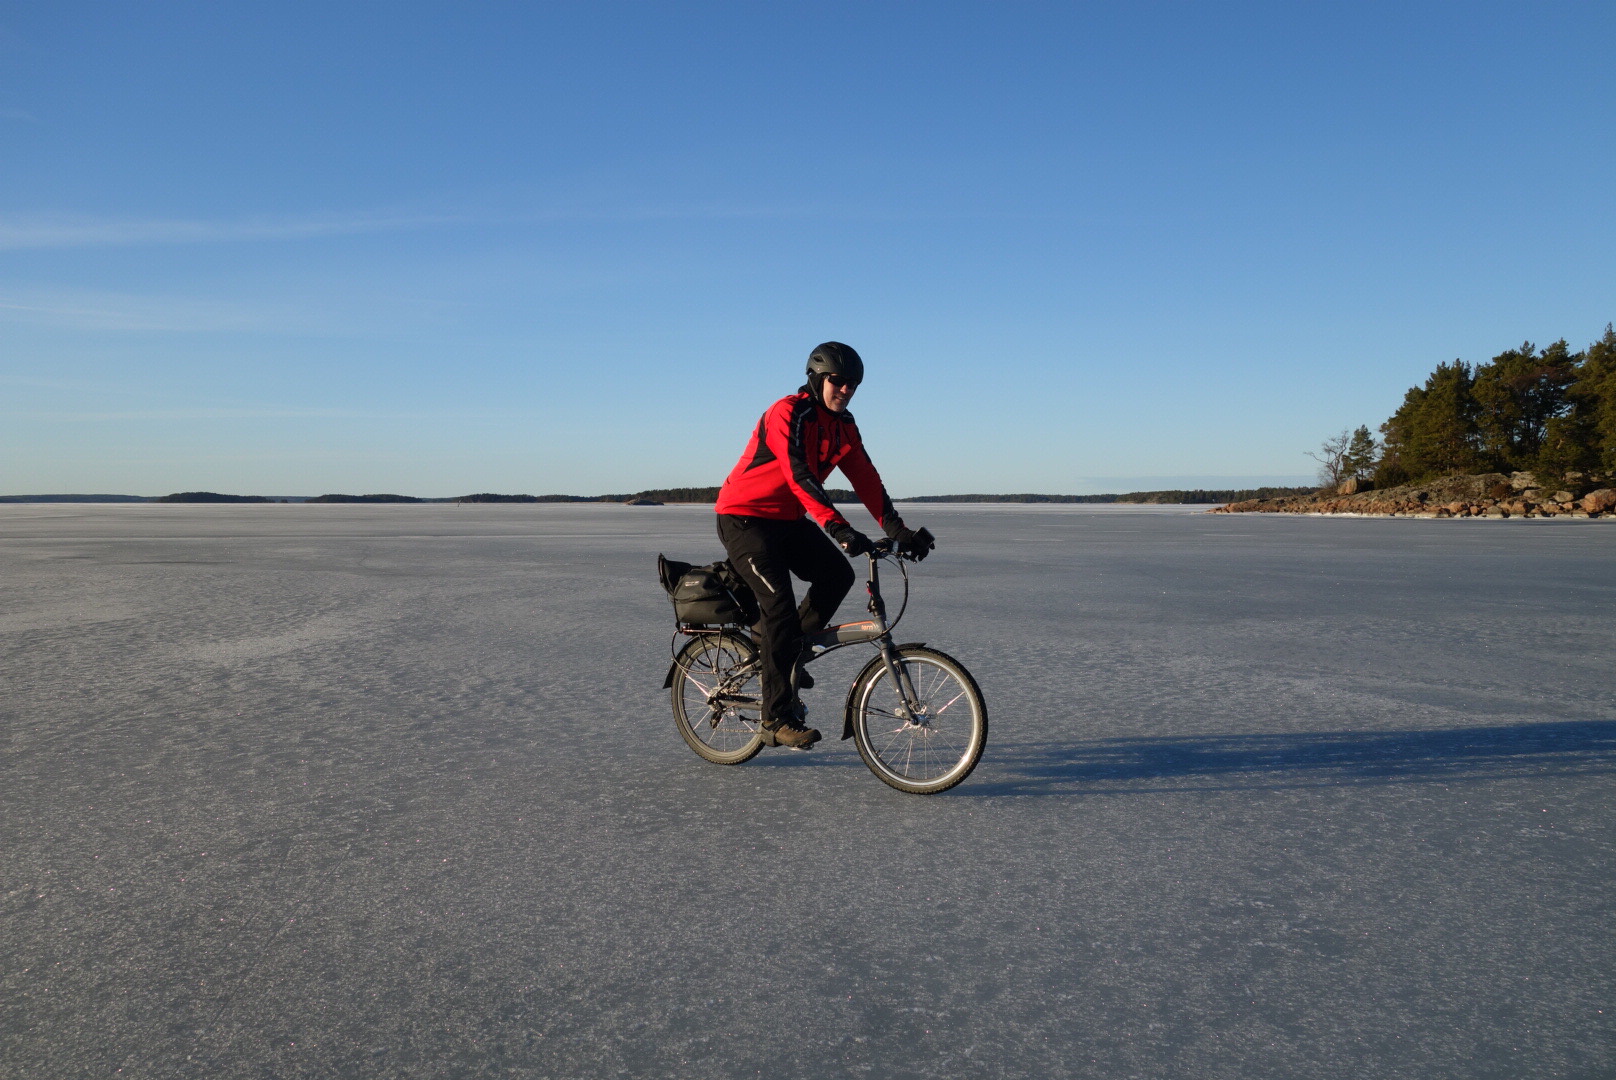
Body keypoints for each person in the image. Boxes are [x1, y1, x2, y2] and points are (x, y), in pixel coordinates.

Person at [714, 342, 935, 749]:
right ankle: (774, 718)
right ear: (817, 378)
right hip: (744, 517)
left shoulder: (843, 427)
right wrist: (839, 528)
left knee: (836, 575)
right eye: (838, 381)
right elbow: (799, 474)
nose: (846, 389)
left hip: (787, 520)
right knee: (778, 604)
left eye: (854, 384)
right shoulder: (788, 413)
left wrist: (900, 532)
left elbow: (866, 478)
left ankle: (788, 651)